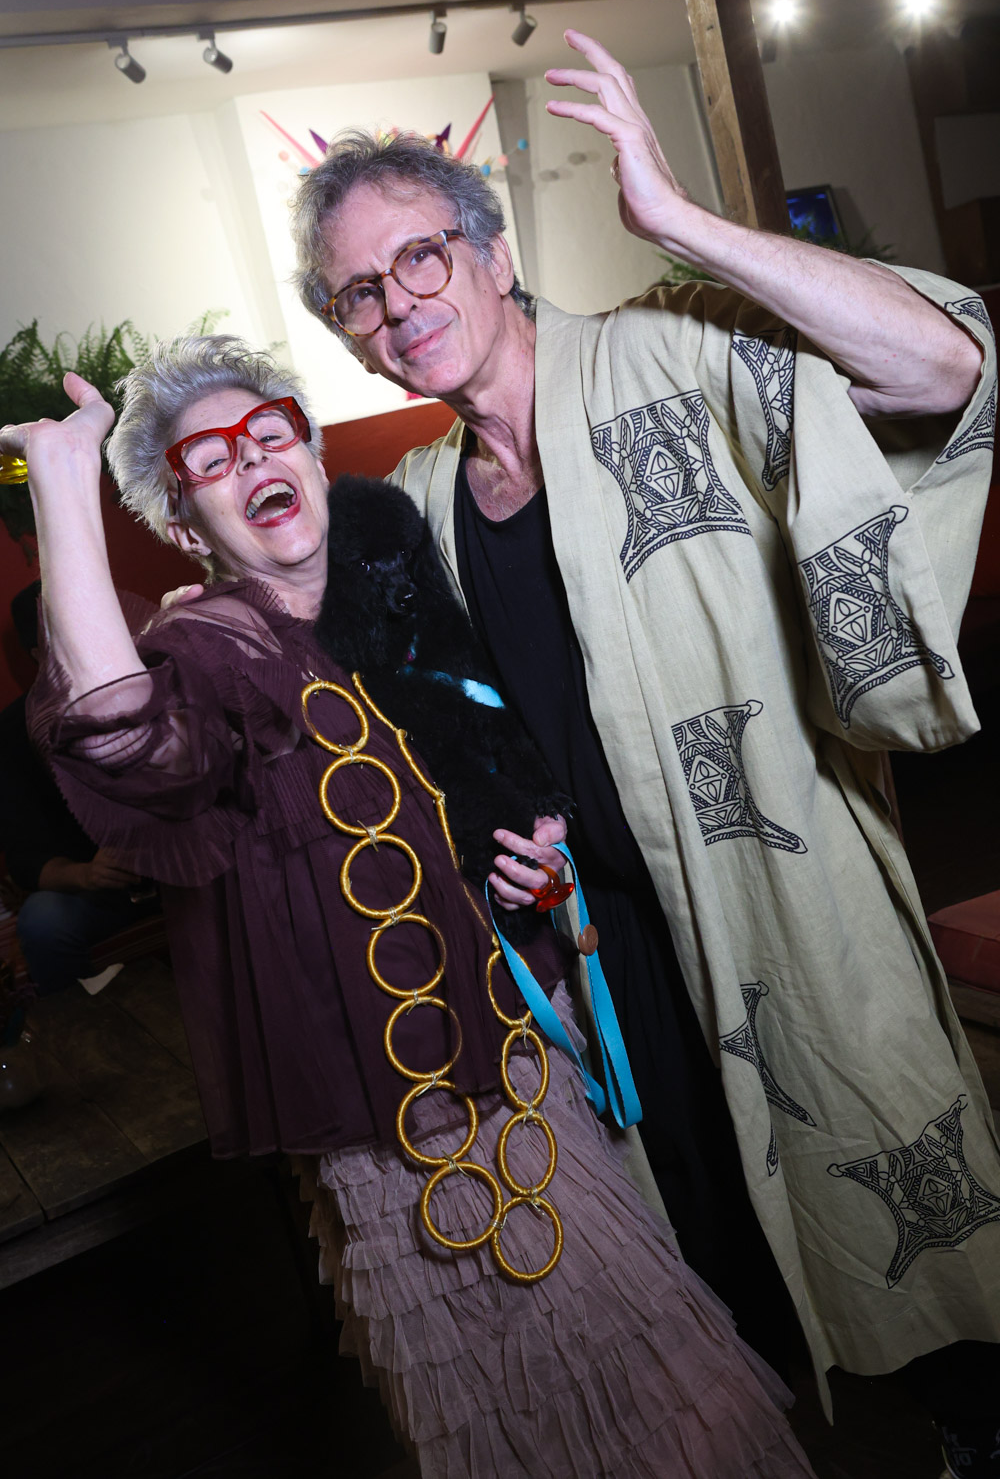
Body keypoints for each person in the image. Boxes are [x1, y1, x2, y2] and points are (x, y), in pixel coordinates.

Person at [289, 28, 1000, 1468]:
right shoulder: (415, 504)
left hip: (781, 895)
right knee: (710, 1249)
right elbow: (417, 725)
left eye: (420, 255)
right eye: (360, 291)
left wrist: (679, 219)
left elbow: (943, 369)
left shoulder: (671, 345)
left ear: (491, 253)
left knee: (897, 1195)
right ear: (347, 331)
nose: (399, 302)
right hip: (601, 949)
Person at [0, 336, 818, 1478]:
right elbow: (123, 738)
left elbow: (457, 799)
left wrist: (529, 864)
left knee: (632, 1359)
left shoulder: (385, 604)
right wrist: (62, 481)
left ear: (313, 456)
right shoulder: (212, 647)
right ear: (186, 528)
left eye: (271, 432)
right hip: (395, 1106)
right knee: (558, 1391)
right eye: (212, 460)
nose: (254, 459)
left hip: (517, 1053)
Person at [0, 581, 147, 997]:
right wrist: (87, 874)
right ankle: (81, 1026)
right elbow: (26, 860)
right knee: (43, 920)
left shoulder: (150, 681)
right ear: (37, 654)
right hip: (100, 892)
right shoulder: (12, 733)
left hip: (186, 872)